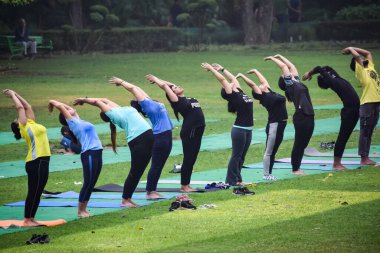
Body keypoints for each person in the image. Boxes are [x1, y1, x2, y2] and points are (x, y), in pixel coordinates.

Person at [73, 97, 153, 207]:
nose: (109, 104)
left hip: (144, 139)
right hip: (138, 140)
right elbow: (98, 102)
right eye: (107, 107)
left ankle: (127, 198)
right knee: (136, 171)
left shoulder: (120, 110)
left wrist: (85, 99)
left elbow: (105, 99)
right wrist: (83, 100)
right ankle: (125, 200)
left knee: (139, 171)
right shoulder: (115, 114)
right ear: (107, 112)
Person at [108, 76, 173, 200]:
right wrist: (121, 82)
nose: (136, 95)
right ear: (139, 102)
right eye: (136, 97)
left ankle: (152, 189)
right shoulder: (147, 105)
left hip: (166, 134)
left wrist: (156, 80)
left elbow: (137, 88)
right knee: (156, 164)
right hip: (161, 136)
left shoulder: (149, 102)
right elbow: (133, 89)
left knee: (160, 164)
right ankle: (150, 192)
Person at [146, 74, 205, 192]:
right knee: (189, 158)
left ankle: (186, 185)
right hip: (190, 131)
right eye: (175, 88)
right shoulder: (177, 100)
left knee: (192, 158)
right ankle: (184, 186)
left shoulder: (187, 98)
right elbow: (165, 86)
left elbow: (169, 84)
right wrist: (156, 80)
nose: (177, 86)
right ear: (173, 93)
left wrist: (160, 80)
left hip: (197, 131)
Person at [201, 63, 254, 186]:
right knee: (236, 156)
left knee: (242, 157)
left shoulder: (240, 92)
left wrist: (223, 69)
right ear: (227, 90)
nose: (232, 82)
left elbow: (233, 79)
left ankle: (238, 179)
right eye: (229, 85)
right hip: (239, 130)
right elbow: (223, 80)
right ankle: (230, 180)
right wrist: (212, 70)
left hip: (248, 130)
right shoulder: (233, 95)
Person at [48, 100, 103, 217]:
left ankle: (84, 209)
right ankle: (80, 211)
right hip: (89, 153)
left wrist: (78, 102)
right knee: (88, 182)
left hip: (97, 152)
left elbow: (73, 110)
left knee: (92, 182)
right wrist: (51, 102)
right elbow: (60, 105)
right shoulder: (73, 123)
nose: (70, 109)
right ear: (67, 116)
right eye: (67, 111)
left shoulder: (78, 120)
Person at [3, 89, 50, 226]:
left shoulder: (31, 123)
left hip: (42, 161)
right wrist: (12, 95)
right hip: (36, 161)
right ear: (18, 125)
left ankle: (31, 218)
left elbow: (27, 106)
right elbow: (20, 107)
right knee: (34, 191)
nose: (19, 117)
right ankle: (27, 220)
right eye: (17, 119)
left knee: (38, 191)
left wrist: (16, 94)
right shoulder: (24, 127)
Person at [303, 66, 360, 170]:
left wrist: (311, 73)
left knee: (344, 137)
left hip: (354, 111)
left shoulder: (336, 78)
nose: (327, 73)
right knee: (343, 137)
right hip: (350, 112)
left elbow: (326, 67)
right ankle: (336, 164)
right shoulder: (333, 81)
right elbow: (320, 68)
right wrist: (310, 73)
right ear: (327, 79)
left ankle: (337, 163)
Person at [265, 54, 314, 175]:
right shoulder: (290, 85)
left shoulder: (295, 81)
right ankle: (295, 169)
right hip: (301, 116)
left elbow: (291, 66)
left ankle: (297, 167)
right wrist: (272, 59)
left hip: (309, 115)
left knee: (304, 143)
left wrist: (280, 56)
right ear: (286, 80)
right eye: (286, 75)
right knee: (299, 143)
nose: (291, 73)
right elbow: (284, 67)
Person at [236, 69, 288, 180]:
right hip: (274, 125)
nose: (261, 85)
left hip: (281, 125)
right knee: (269, 151)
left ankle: (269, 173)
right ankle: (266, 175)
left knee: (273, 151)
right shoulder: (264, 97)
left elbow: (263, 81)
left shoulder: (269, 92)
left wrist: (255, 71)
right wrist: (242, 76)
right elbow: (252, 84)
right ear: (259, 93)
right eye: (259, 87)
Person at [342, 47, 380, 165]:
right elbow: (357, 56)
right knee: (365, 131)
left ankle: (366, 157)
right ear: (356, 64)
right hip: (367, 103)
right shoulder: (360, 70)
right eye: (360, 58)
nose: (363, 58)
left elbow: (368, 52)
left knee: (370, 131)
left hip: (376, 102)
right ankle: (364, 158)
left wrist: (352, 47)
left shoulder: (370, 67)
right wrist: (350, 49)